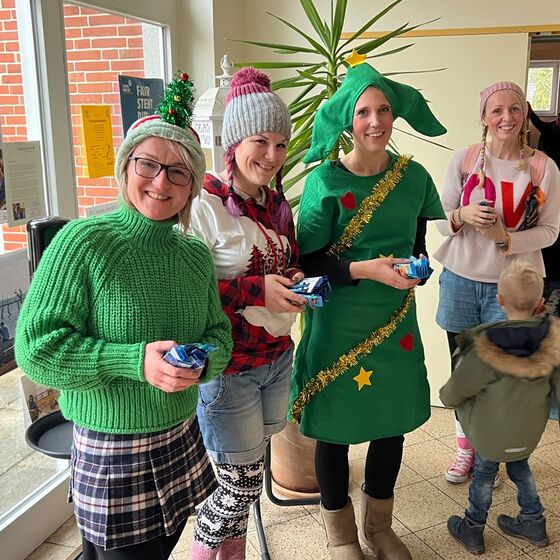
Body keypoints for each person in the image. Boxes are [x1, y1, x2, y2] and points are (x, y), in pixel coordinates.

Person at [15, 74, 232, 560]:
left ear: (193, 187)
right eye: (148, 163)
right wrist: (134, 362)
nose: (161, 182)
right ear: (125, 166)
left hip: (181, 435)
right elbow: (36, 351)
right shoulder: (83, 242)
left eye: (179, 172)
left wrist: (202, 362)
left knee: (163, 549)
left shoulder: (194, 254)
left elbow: (218, 334)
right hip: (112, 450)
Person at [288, 57, 447, 560]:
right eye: (363, 112)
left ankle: (379, 529)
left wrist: (418, 270)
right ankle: (341, 537)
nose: (375, 122)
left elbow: (418, 248)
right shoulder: (325, 183)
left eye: (383, 110)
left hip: (394, 324)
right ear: (347, 121)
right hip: (336, 323)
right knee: (333, 430)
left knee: (389, 423)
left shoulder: (415, 178)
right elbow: (308, 264)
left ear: (394, 115)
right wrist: (366, 269)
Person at [188, 67, 306, 560]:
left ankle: (232, 552)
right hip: (230, 368)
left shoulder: (277, 203)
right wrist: (258, 290)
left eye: (281, 144)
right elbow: (188, 292)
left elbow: (285, 258)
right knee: (240, 485)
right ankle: (201, 551)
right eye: (261, 141)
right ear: (235, 142)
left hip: (276, 357)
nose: (272, 156)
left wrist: (294, 279)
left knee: (246, 476)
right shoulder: (203, 204)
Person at [434, 81, 560, 486]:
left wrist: (506, 239)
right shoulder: (465, 159)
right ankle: (465, 449)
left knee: (506, 376)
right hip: (460, 280)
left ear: (524, 114)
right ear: (484, 117)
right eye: (497, 110)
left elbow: (551, 231)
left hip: (513, 289)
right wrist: (462, 215)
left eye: (515, 109)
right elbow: (439, 220)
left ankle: (495, 452)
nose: (507, 117)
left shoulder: (543, 168)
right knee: (463, 370)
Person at [440, 260, 559, 554]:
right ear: (540, 304)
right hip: (528, 432)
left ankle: (472, 527)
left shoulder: (483, 347)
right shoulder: (552, 342)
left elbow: (456, 390)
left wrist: (446, 398)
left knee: (483, 474)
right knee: (520, 468)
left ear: (500, 300)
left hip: (489, 434)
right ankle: (533, 521)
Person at [528, 102, 560, 169]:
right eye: (558, 119)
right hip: (548, 153)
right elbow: (538, 122)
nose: (559, 121)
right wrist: (530, 111)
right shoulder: (549, 127)